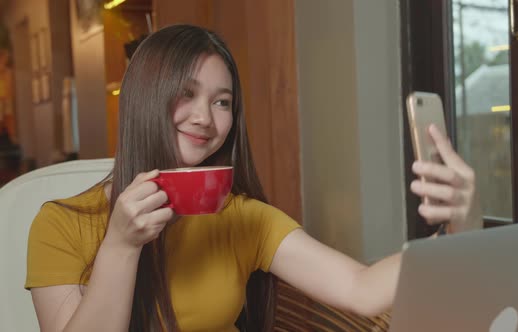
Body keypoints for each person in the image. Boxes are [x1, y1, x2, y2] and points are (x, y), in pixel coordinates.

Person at [26, 24, 482, 332]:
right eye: (186, 94)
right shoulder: (60, 224)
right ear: (145, 99)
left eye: (222, 102)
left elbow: (361, 290)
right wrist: (121, 246)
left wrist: (460, 230)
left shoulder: (242, 218)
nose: (205, 117)